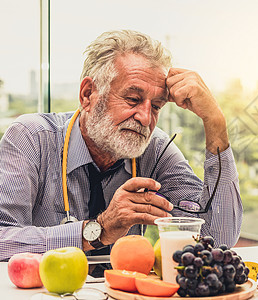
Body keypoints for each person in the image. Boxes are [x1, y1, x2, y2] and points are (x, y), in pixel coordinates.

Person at [0, 30, 243, 261]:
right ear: (87, 95)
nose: (146, 118)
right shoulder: (31, 139)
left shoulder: (155, 150)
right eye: (133, 99)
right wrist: (97, 231)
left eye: (156, 106)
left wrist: (215, 122)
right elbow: (2, 240)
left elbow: (218, 238)